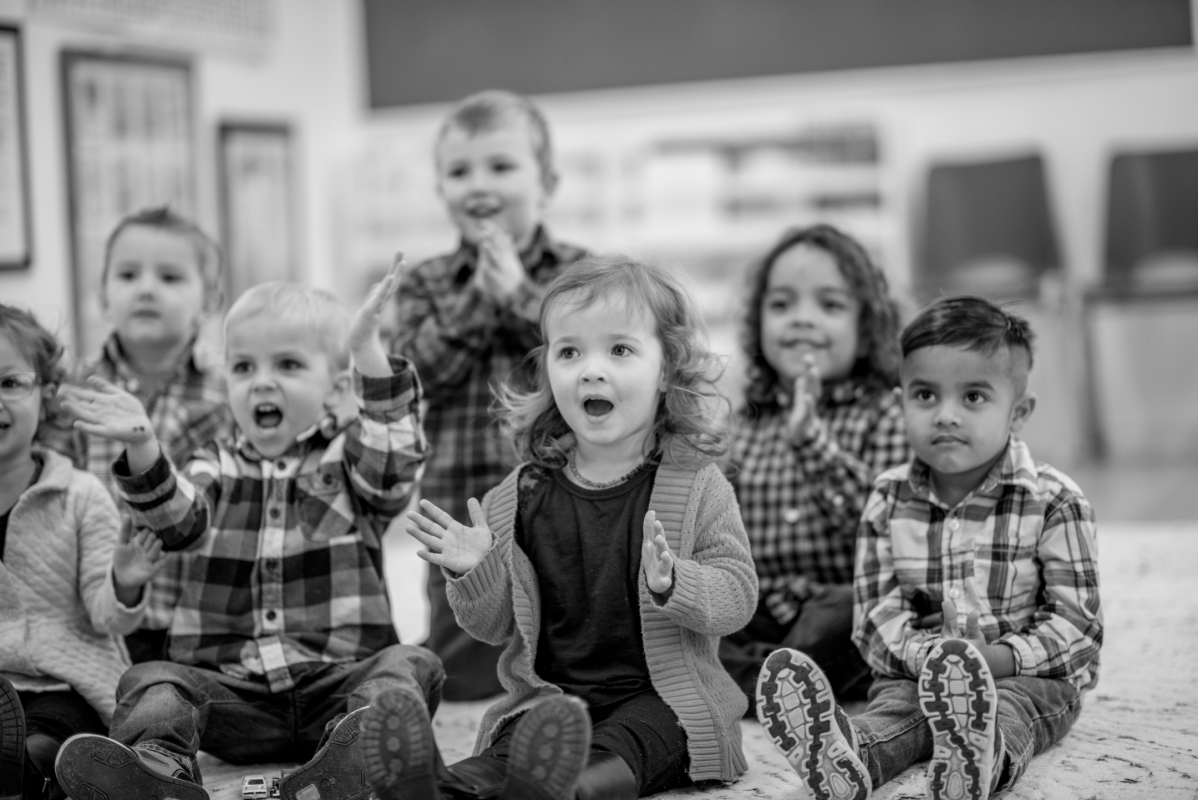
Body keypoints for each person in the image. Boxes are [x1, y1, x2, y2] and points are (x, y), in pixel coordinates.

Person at [368, 256, 758, 800]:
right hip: (552, 699)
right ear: (548, 368)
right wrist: (476, 573)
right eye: (570, 351)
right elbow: (496, 625)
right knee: (511, 747)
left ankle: (564, 791)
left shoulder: (697, 485)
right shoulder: (519, 495)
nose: (590, 369)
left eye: (619, 350)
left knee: (643, 737)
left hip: (661, 698)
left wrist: (676, 583)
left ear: (666, 368)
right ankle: (435, 787)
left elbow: (738, 594)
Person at [52, 263, 444, 800]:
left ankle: (363, 754)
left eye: (286, 364)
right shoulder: (213, 463)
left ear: (334, 389)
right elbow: (178, 520)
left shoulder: (349, 459)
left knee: (410, 663)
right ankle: (157, 770)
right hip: (234, 697)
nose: (261, 381)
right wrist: (144, 445)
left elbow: (394, 464)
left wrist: (368, 355)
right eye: (243, 366)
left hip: (338, 681)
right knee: (152, 679)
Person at [756, 296, 1102, 800]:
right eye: (925, 396)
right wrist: (935, 660)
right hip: (918, 671)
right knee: (896, 710)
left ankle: (984, 758)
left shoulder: (1055, 501)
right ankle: (848, 755)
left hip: (1030, 676)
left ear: (1019, 411)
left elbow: (1079, 628)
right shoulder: (887, 498)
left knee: (1011, 710)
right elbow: (875, 616)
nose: (945, 416)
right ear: (902, 404)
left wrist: (997, 659)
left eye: (974, 398)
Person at [389, 89, 589, 701]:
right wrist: (483, 297)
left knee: (568, 627)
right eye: (459, 171)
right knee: (462, 656)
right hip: (460, 500)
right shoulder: (424, 282)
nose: (479, 184)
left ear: (546, 182)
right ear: (439, 188)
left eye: (501, 167)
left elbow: (589, 360)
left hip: (564, 492)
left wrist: (524, 298)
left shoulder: (581, 272)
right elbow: (412, 375)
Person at [720, 224, 909, 706]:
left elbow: (881, 532)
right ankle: (776, 677)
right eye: (782, 305)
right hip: (761, 606)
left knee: (860, 617)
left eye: (829, 305)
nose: (802, 320)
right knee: (684, 620)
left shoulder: (887, 415)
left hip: (839, 601)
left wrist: (813, 444)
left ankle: (762, 680)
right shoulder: (744, 425)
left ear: (866, 331)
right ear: (757, 325)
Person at [43, 207, 233, 665]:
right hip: (95, 612)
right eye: (128, 275)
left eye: (169, 277)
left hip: (202, 616)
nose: (146, 288)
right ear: (103, 295)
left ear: (209, 299)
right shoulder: (75, 392)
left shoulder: (228, 391)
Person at [0, 303, 160, 800]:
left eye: (9, 383)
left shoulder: (81, 494)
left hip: (64, 681)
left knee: (54, 733)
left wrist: (124, 582)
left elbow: (107, 615)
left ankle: (35, 771)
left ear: (46, 397)